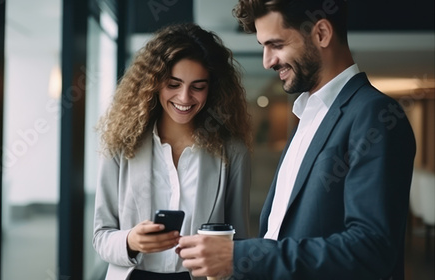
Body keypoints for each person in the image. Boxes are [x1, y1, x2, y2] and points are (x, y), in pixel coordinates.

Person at [177, 1, 416, 279]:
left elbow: (371, 250)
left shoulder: (374, 114)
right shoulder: (307, 116)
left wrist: (238, 256)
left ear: (322, 33)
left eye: (276, 45)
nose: (267, 61)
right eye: (263, 46)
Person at [92, 23, 252, 280]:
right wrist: (130, 240)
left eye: (198, 86)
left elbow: (239, 240)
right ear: (153, 83)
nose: (185, 97)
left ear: (213, 89)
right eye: (173, 84)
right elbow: (101, 237)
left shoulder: (232, 151)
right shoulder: (121, 144)